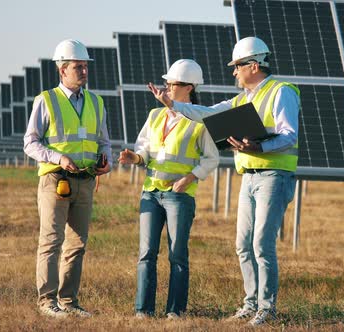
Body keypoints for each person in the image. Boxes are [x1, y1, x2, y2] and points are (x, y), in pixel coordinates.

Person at [148, 37, 300, 326]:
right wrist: (172, 104)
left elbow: (289, 135)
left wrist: (259, 147)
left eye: (237, 66)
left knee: (261, 244)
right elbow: (206, 114)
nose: (234, 72)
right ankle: (250, 304)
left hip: (273, 176)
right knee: (243, 244)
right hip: (249, 177)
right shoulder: (242, 100)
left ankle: (267, 309)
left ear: (253, 65)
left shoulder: (282, 92)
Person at [119, 59, 219, 319]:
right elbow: (145, 149)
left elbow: (212, 159)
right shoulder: (155, 115)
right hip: (151, 193)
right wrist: (136, 158)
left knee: (177, 255)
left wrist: (189, 178)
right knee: (146, 253)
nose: (166, 88)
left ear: (188, 87)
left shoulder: (201, 120)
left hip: (180, 196)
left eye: (171, 84)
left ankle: (175, 311)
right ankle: (143, 311)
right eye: (167, 83)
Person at [23, 39, 112, 318]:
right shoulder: (46, 100)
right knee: (51, 240)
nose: (84, 71)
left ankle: (69, 302)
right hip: (55, 180)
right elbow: (30, 143)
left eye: (85, 67)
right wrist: (57, 157)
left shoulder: (96, 102)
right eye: (78, 67)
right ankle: (47, 301)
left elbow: (103, 141)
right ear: (62, 70)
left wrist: (105, 159)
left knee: (77, 244)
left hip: (86, 181)